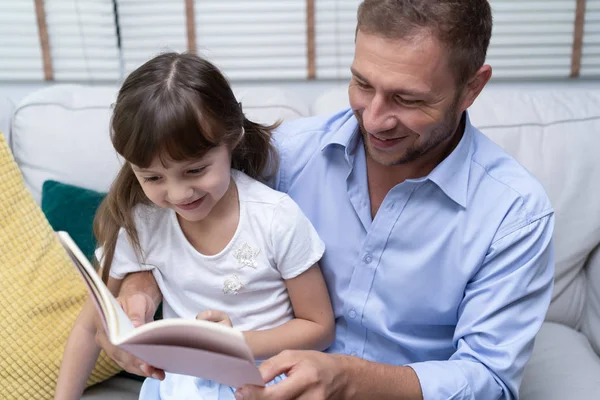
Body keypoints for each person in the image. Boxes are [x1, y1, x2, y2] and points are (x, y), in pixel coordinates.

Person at [97, 0, 556, 399]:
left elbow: (489, 379)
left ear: (472, 88)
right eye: (362, 83)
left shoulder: (515, 216)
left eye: (406, 99)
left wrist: (353, 380)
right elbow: (183, 207)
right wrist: (141, 282)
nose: (375, 119)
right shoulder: (288, 156)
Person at [54, 52, 335, 400]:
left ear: (231, 139)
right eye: (153, 177)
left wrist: (234, 344)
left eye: (195, 170)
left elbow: (319, 326)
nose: (178, 194)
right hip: (180, 386)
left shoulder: (275, 217)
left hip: (265, 379)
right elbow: (88, 326)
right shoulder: (144, 222)